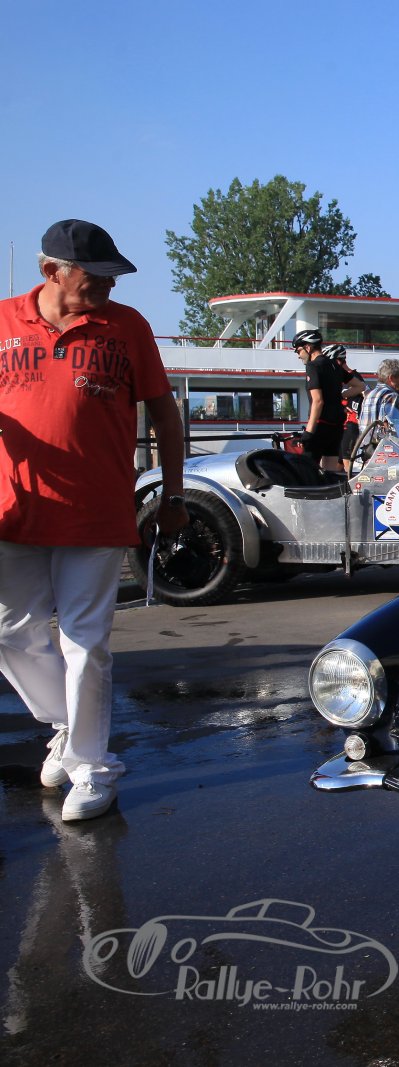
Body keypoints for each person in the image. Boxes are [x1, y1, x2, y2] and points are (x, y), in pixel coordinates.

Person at [0, 219, 188, 821]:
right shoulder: (2, 322)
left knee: (83, 641)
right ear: (50, 271)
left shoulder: (127, 327)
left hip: (97, 511)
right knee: (10, 634)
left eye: (113, 276)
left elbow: (164, 415)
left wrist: (174, 493)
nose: (109, 286)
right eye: (96, 276)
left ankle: (92, 766)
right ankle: (66, 727)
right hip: (15, 510)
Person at [291, 329, 347, 473]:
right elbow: (359, 385)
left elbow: (318, 401)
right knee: (330, 471)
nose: (298, 355)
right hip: (336, 426)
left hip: (320, 425)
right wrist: (340, 396)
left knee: (306, 470)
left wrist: (308, 433)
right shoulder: (334, 365)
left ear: (308, 347)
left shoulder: (313, 366)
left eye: (298, 351)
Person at [325, 344, 366, 473]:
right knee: (338, 466)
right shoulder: (337, 377)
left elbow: (366, 393)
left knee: (347, 464)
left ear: (337, 361)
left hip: (350, 424)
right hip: (340, 425)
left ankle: (354, 485)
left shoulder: (353, 376)